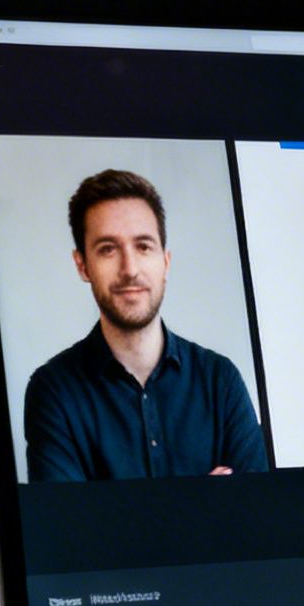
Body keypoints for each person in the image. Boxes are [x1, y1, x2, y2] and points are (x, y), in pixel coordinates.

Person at [24, 169, 268, 482]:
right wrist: (203, 497)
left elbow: (258, 508)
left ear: (165, 262)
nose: (130, 269)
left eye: (143, 246)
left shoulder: (220, 381)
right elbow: (64, 515)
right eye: (108, 249)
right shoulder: (53, 392)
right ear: (82, 265)